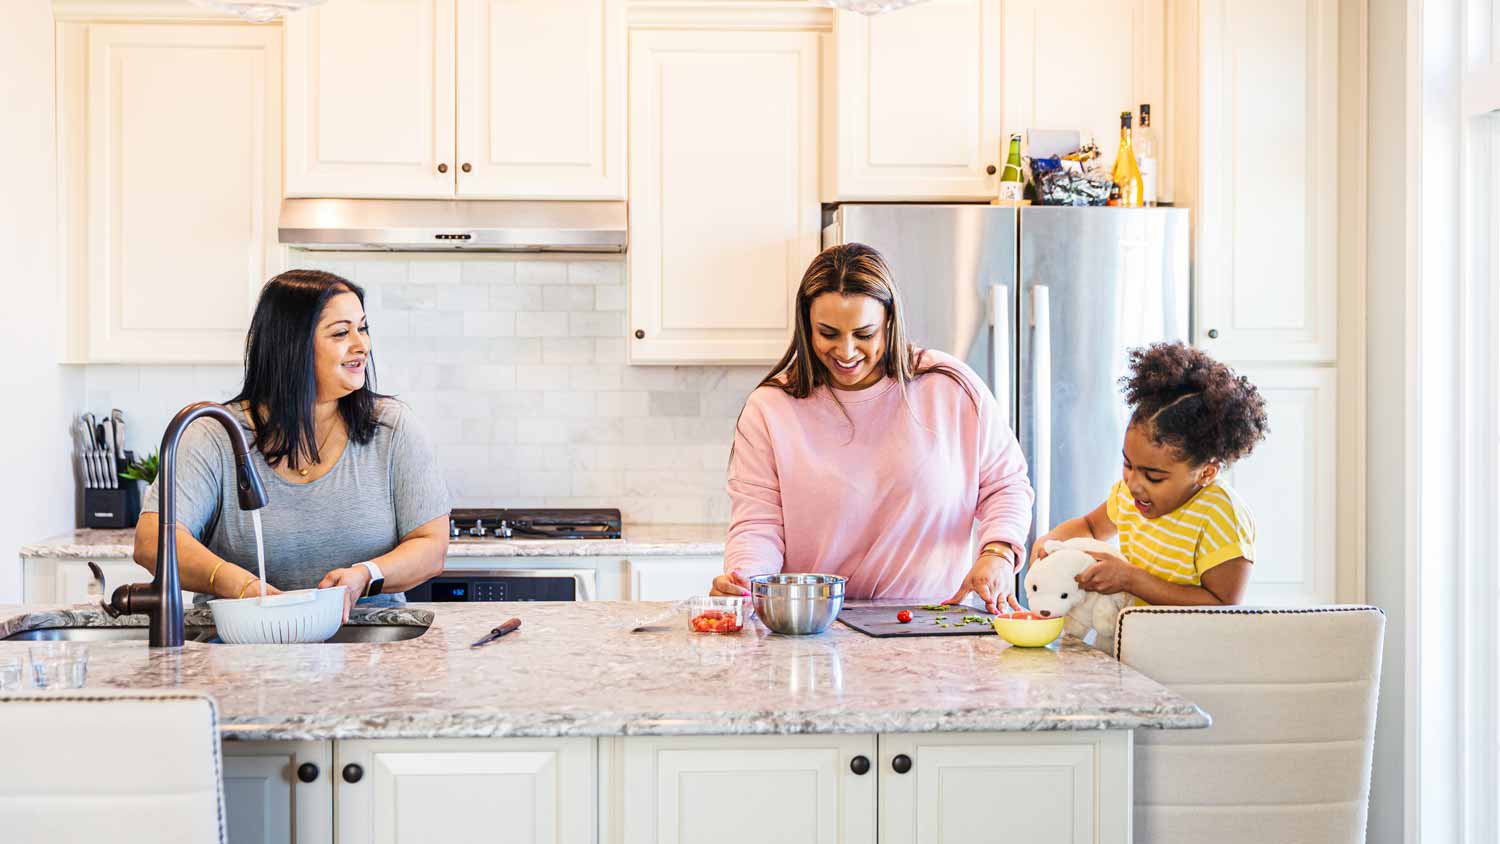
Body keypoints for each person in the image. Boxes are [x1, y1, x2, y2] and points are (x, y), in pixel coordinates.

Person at [711, 243, 1035, 613]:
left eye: (864, 334)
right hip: (814, 625)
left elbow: (1005, 485)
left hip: (932, 621)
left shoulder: (950, 388)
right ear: (806, 327)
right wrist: (746, 584)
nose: (846, 352)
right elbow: (758, 523)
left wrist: (998, 552)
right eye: (828, 333)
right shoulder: (770, 409)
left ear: (890, 323)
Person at [133, 269, 450, 620]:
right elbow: (151, 542)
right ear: (291, 345)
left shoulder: (393, 428)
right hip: (240, 648)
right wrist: (239, 586)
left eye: (363, 328)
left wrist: (365, 576)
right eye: (342, 333)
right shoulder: (215, 434)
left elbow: (431, 546)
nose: (362, 345)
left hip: (369, 644)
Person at [1030, 342, 1269, 606]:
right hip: (1132, 640)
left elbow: (1223, 604)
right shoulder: (1128, 496)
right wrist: (1052, 540)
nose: (1133, 484)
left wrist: (1131, 579)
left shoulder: (1221, 515)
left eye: (1153, 477)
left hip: (1189, 647)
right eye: (1128, 465)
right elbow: (1090, 527)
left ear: (1206, 472)